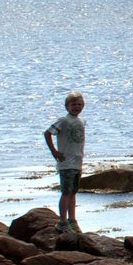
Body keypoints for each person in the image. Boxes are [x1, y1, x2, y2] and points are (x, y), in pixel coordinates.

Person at [42, 92, 87, 229]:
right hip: (66, 162)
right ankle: (62, 221)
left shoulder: (81, 121)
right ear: (67, 106)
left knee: (73, 192)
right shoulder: (64, 120)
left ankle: (72, 220)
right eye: (73, 105)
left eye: (79, 105)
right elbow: (47, 133)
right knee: (66, 192)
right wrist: (54, 151)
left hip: (77, 162)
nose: (76, 107)